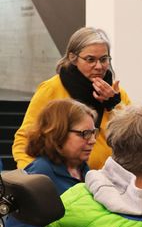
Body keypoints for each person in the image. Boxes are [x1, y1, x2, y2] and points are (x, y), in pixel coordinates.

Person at [12, 26, 131, 171]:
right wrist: (35, 178)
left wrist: (113, 103)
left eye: (104, 59)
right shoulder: (52, 89)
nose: (99, 66)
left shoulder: (116, 93)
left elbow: (132, 138)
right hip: (63, 180)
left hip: (108, 180)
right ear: (73, 58)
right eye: (90, 59)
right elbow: (24, 139)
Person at [5, 99, 96, 227]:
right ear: (57, 134)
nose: (92, 140)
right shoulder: (41, 175)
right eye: (84, 134)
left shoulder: (83, 171)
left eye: (93, 132)